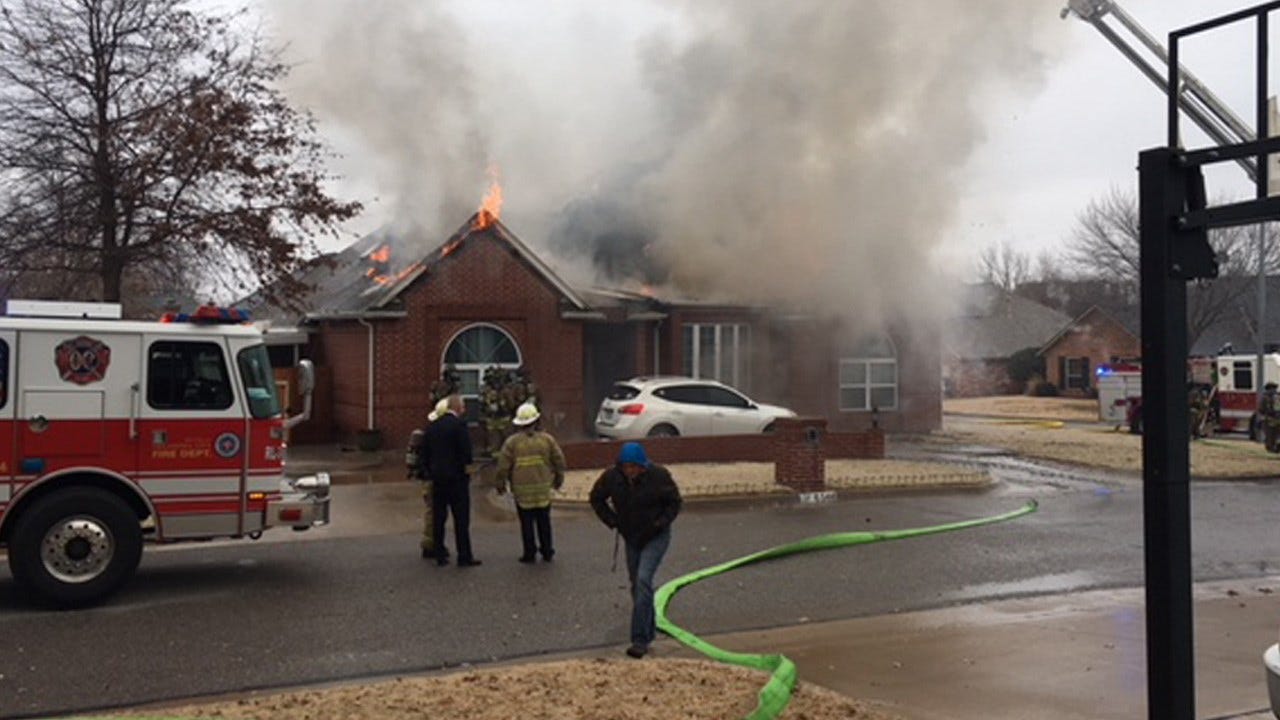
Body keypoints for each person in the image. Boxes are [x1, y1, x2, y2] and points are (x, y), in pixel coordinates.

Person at [589, 442, 682, 659]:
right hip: (631, 537)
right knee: (637, 585)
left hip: (656, 537)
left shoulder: (659, 476)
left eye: (635, 467)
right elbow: (596, 498)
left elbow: (674, 503)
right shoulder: (612, 478)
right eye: (626, 467)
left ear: (643, 466)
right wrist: (613, 521)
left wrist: (660, 523)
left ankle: (639, 640)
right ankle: (648, 630)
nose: (630, 471)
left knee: (643, 579)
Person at [494, 402, 566, 563]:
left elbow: (503, 468)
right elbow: (559, 461)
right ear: (536, 421)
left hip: (522, 492)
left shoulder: (512, 443)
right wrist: (558, 480)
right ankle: (547, 551)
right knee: (544, 522)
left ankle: (529, 553)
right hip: (542, 490)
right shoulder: (547, 440)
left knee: (526, 523)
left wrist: (500, 485)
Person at [420, 394, 481, 567]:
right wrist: (467, 472)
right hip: (457, 480)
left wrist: (430, 473)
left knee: (439, 518)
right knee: (461, 520)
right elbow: (466, 453)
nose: (464, 409)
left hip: (438, 479)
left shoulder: (432, 427)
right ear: (457, 408)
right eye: (462, 406)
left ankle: (439, 555)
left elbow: (424, 454)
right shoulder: (459, 426)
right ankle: (464, 556)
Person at [414, 398, 451, 560]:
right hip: (432, 480)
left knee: (432, 513)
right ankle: (430, 546)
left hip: (427, 479)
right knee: (434, 515)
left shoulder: (427, 434)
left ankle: (431, 544)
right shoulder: (433, 436)